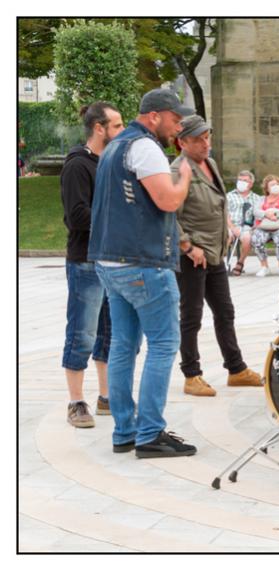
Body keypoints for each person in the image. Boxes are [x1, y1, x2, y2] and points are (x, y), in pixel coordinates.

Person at [89, 88, 197, 458]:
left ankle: (125, 431)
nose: (179, 126)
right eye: (175, 118)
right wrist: (183, 177)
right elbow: (167, 199)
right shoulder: (146, 147)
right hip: (142, 263)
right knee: (165, 344)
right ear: (155, 116)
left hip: (109, 262)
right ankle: (150, 433)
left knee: (123, 345)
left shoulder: (115, 147)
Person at [172, 115, 263, 398]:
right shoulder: (178, 170)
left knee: (225, 312)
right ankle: (192, 374)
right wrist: (187, 246)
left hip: (215, 253)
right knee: (191, 316)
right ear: (182, 142)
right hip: (192, 256)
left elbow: (217, 204)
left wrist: (227, 228)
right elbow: (167, 216)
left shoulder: (208, 163)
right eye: (198, 139)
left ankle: (236, 369)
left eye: (207, 136)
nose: (205, 143)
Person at [60, 101, 124, 427]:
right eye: (116, 125)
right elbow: (77, 216)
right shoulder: (77, 166)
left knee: (109, 334)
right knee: (82, 333)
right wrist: (118, 218)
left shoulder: (111, 163)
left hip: (112, 262)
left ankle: (106, 397)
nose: (122, 131)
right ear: (99, 128)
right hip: (85, 262)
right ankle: (76, 402)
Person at [251, 174, 279, 277]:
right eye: (272, 185)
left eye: (277, 184)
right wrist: (266, 214)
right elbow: (256, 212)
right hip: (264, 227)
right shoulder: (261, 199)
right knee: (256, 238)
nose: (276, 186)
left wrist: (274, 212)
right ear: (267, 188)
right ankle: (264, 266)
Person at [226, 170, 262, 276]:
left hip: (247, 226)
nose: (241, 182)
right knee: (226, 235)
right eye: (239, 180)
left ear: (251, 184)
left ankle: (240, 263)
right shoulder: (228, 196)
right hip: (230, 225)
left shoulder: (257, 198)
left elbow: (258, 217)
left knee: (247, 238)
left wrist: (253, 227)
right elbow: (224, 214)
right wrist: (232, 228)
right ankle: (221, 264)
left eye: (245, 180)